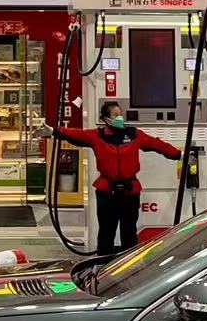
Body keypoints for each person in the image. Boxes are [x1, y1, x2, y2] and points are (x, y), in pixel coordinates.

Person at [53, 101, 181, 255]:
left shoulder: (134, 135)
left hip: (130, 191)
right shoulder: (97, 136)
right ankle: (103, 264)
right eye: (115, 115)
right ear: (106, 119)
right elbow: (75, 134)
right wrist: (54, 131)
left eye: (120, 114)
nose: (120, 117)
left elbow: (157, 144)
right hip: (107, 192)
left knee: (129, 233)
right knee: (106, 233)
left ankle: (130, 264)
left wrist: (179, 155)